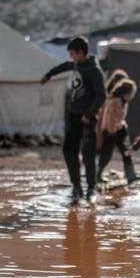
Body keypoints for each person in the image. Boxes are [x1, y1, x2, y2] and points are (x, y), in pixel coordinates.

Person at [41, 36, 106, 203]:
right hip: (73, 115)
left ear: (81, 52)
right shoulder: (77, 64)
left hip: (87, 118)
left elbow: (102, 96)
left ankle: (91, 188)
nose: (71, 57)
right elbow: (66, 65)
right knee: (69, 151)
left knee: (88, 153)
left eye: (72, 53)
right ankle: (76, 187)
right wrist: (49, 74)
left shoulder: (94, 70)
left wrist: (89, 113)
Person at [96, 77, 140, 184]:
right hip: (111, 132)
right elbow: (110, 118)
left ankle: (130, 175)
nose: (132, 96)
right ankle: (97, 175)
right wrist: (112, 131)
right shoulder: (116, 102)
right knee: (106, 154)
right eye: (132, 93)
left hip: (117, 131)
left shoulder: (123, 102)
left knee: (125, 152)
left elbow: (119, 119)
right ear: (126, 93)